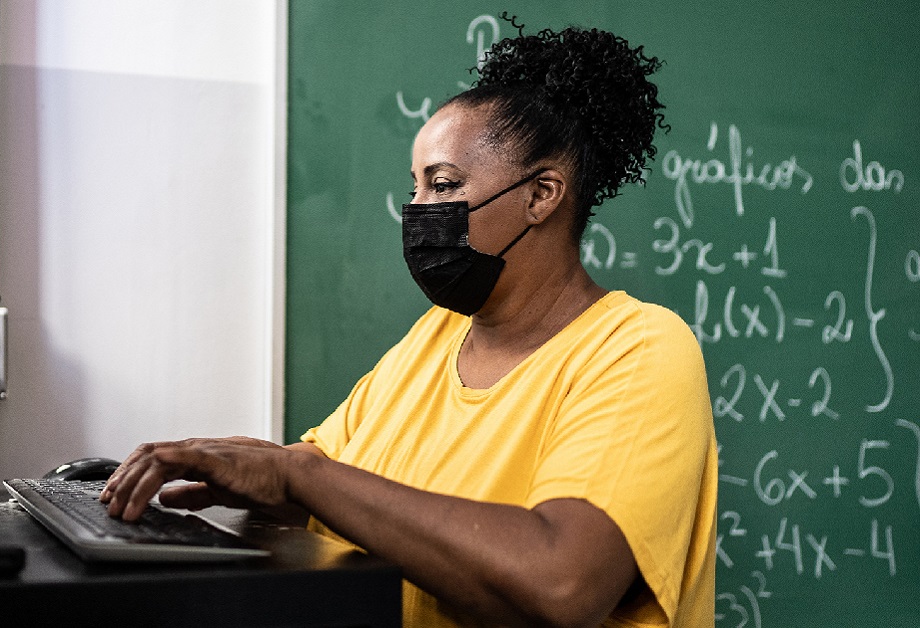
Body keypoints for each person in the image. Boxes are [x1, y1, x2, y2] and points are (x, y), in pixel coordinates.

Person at [101, 21, 717, 628]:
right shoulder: (437, 337)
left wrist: (298, 473)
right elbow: (332, 481)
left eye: (444, 184)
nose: (419, 209)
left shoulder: (638, 350)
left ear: (542, 195)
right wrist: (246, 470)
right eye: (416, 186)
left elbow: (561, 584)